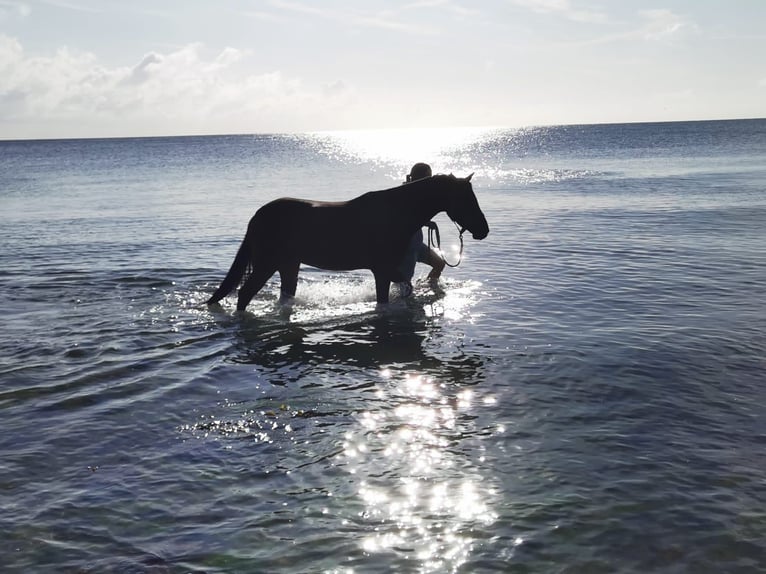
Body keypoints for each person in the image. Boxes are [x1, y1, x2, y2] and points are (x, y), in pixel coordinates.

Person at [396, 162, 446, 296]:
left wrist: (426, 222)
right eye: (428, 177)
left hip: (417, 244)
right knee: (405, 283)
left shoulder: (420, 192)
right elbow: (406, 216)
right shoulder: (404, 194)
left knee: (439, 264)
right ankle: (399, 302)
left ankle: (428, 287)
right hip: (407, 247)